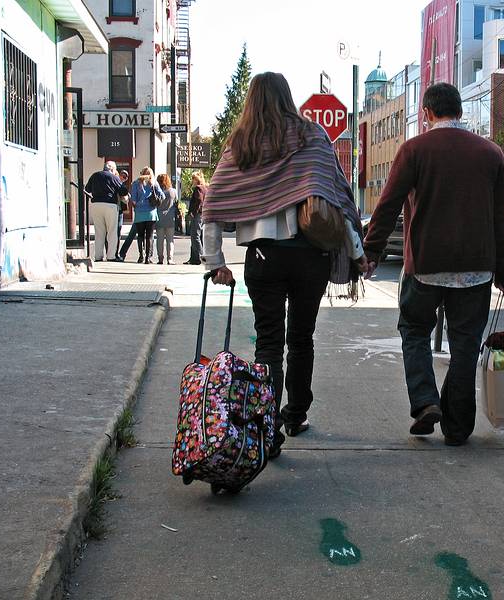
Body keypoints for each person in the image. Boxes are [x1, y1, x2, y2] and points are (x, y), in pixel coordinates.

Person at [204, 72, 367, 458]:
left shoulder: (240, 144)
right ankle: (295, 415)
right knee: (301, 339)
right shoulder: (312, 137)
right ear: (287, 97)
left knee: (269, 343)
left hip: (263, 257)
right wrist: (357, 254)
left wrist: (216, 261)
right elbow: (337, 198)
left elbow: (212, 206)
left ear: (251, 101)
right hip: (310, 255)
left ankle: (266, 428)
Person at [362, 82, 504, 447]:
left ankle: (426, 401)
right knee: (464, 346)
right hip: (476, 269)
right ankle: (458, 428)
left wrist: (372, 251)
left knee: (414, 330)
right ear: (459, 111)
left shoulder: (414, 150)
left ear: (427, 113)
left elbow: (388, 205)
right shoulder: (491, 153)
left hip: (426, 264)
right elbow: (499, 217)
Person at [85, 161, 124, 262]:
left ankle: (98, 256)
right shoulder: (114, 177)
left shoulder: (94, 175)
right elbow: (123, 191)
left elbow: (87, 189)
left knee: (99, 232)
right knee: (111, 231)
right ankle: (111, 256)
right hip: (110, 205)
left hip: (96, 205)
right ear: (112, 169)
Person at [129, 167, 163, 264]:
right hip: (151, 212)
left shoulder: (136, 183)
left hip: (139, 212)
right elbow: (162, 196)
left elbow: (134, 200)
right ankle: (147, 258)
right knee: (149, 235)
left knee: (140, 235)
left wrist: (139, 203)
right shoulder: (154, 183)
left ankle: (141, 256)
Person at [185, 172, 207, 265]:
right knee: (197, 235)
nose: (192, 181)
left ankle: (199, 257)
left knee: (195, 235)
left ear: (196, 179)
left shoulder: (198, 188)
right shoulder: (205, 188)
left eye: (193, 179)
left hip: (197, 214)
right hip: (203, 214)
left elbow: (198, 200)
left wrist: (193, 213)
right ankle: (193, 258)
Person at [155, 173, 178, 264]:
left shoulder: (158, 191)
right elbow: (176, 202)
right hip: (170, 217)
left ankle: (160, 258)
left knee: (159, 239)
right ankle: (170, 259)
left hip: (159, 217)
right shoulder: (173, 191)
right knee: (170, 240)